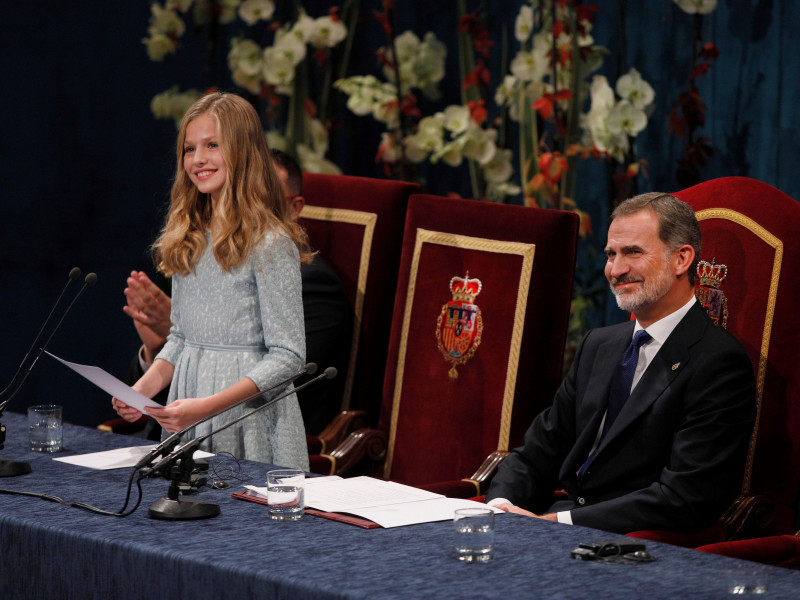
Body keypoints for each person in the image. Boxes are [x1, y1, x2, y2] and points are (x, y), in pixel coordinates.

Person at [485, 192, 756, 534]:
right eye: (611, 254)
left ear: (681, 259)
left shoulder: (717, 361)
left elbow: (684, 498)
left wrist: (553, 524)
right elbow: (536, 454)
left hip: (633, 544)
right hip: (552, 524)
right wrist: (500, 509)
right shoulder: (599, 344)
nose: (616, 269)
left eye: (633, 253)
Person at [112, 91, 310, 469]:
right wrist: (142, 391)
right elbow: (182, 338)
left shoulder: (270, 242)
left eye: (213, 145)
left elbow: (288, 357)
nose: (198, 159)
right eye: (189, 149)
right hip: (191, 406)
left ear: (243, 152)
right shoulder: (186, 237)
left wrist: (207, 407)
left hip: (247, 418)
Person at [122, 151, 351, 438]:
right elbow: (172, 366)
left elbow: (283, 372)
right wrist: (157, 349)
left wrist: (188, 336)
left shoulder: (315, 284)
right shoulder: (204, 259)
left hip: (253, 430)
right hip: (177, 435)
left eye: (263, 194)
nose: (249, 204)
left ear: (294, 208)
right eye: (241, 192)